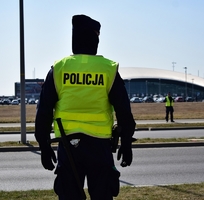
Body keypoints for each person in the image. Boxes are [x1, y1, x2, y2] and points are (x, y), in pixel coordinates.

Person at [35, 14, 136, 200]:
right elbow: (124, 110)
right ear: (96, 39)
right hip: (100, 147)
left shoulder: (59, 68)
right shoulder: (108, 69)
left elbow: (43, 111)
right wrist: (127, 142)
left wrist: (43, 144)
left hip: (68, 146)